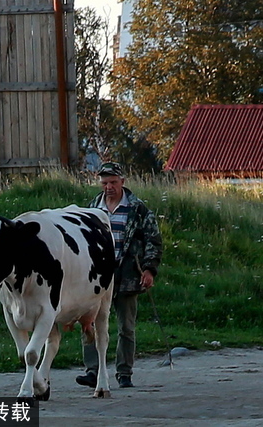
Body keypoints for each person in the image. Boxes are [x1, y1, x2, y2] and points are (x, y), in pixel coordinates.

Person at [76, 161, 163, 389]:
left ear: (122, 182)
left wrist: (149, 269)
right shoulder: (91, 209)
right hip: (96, 276)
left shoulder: (137, 209)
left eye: (113, 182)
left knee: (126, 326)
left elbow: (153, 240)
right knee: (89, 323)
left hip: (127, 273)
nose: (109, 187)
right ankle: (92, 371)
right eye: (105, 183)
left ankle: (124, 373)